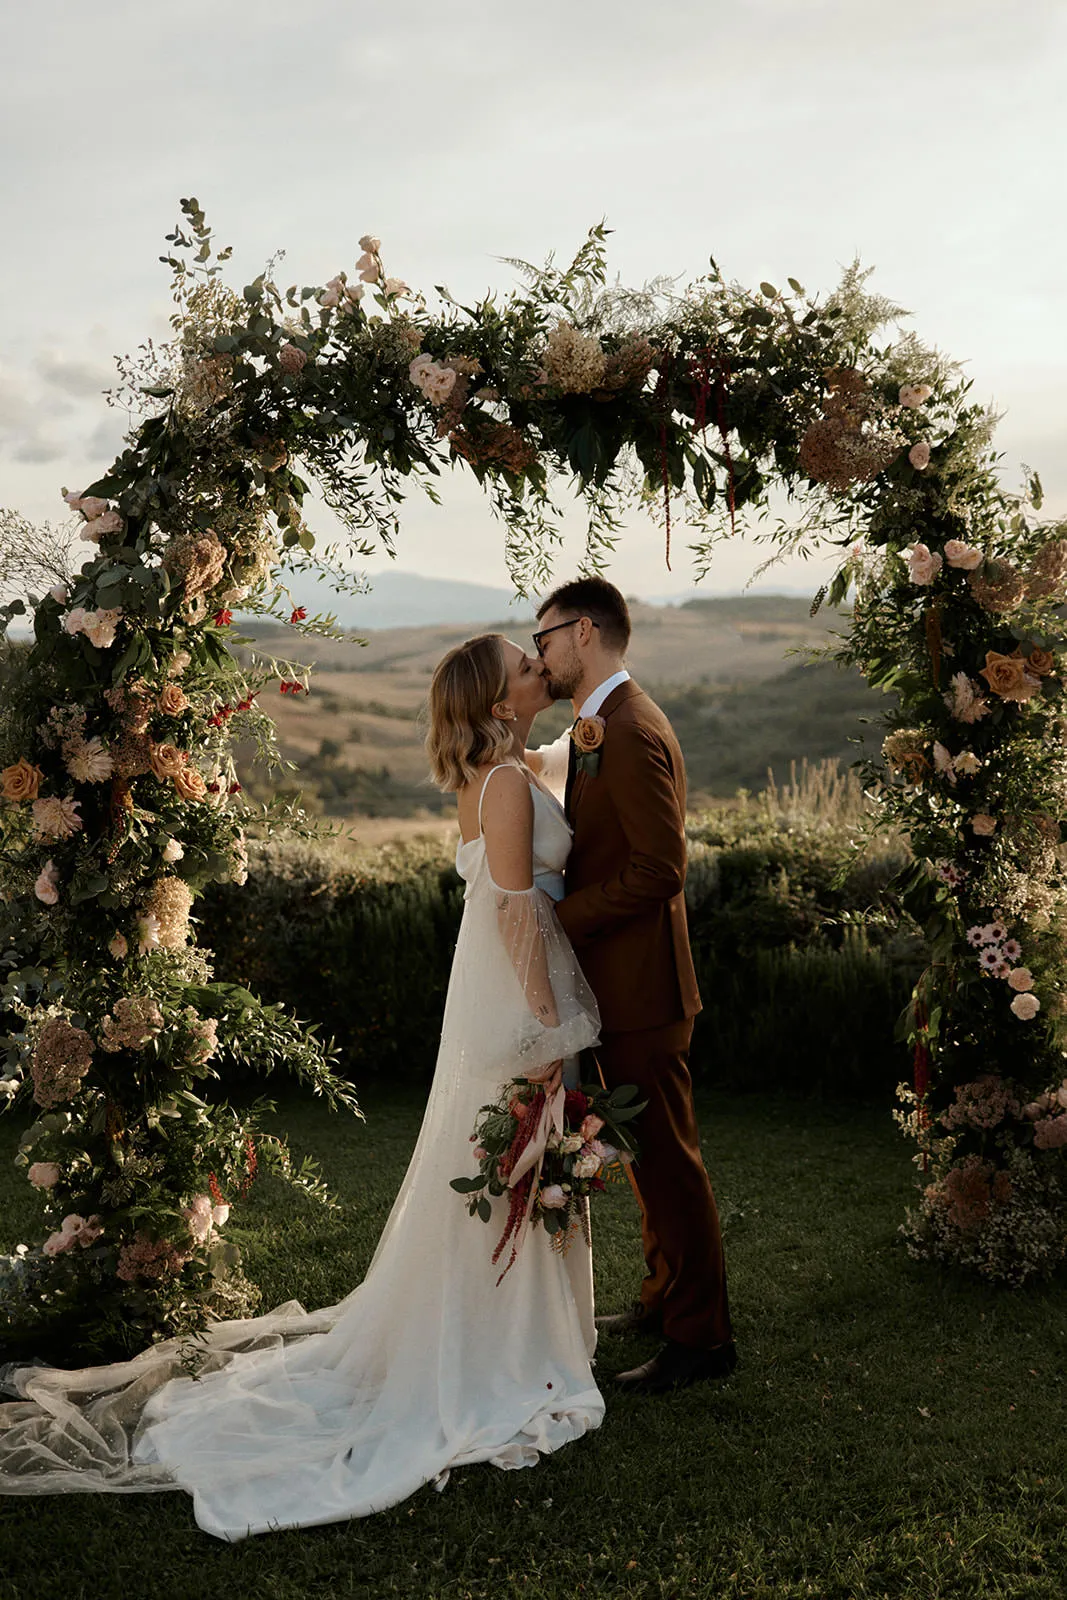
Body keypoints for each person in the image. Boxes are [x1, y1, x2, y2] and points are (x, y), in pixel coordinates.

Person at [0, 635, 603, 1540]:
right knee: (511, 1156)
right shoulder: (509, 784)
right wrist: (546, 1030)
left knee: (503, 1161)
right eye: (524, 663)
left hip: (478, 989)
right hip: (509, 997)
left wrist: (582, 732)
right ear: (495, 701)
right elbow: (519, 913)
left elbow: (542, 790)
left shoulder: (500, 771)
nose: (536, 667)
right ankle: (502, 1352)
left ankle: (501, 1333)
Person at [528, 577, 735, 1394]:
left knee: (670, 1164)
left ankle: (702, 1340)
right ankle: (661, 1299)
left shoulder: (631, 727)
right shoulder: (598, 724)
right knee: (646, 1159)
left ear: (583, 632)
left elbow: (659, 869)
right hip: (619, 987)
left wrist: (560, 919)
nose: (539, 653)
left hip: (644, 990)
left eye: (542, 637)